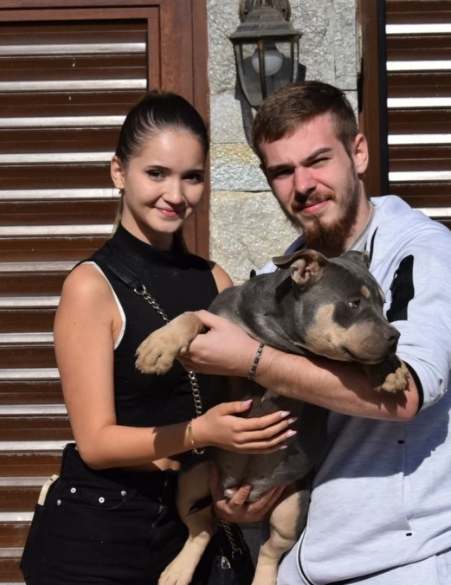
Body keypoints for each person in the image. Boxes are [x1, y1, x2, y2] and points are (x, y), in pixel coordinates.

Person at [179, 80, 451, 585]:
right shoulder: (283, 277)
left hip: (405, 564)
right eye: (282, 171)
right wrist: (237, 491)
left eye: (318, 160)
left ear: (358, 152)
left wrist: (252, 359)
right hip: (302, 562)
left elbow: (407, 389)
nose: (302, 184)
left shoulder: (420, 252)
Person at [19, 90, 290, 585]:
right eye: (157, 173)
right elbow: (95, 443)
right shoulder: (91, 286)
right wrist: (201, 433)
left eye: (192, 177)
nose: (176, 194)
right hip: (102, 537)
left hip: (193, 529)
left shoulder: (214, 279)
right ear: (118, 172)